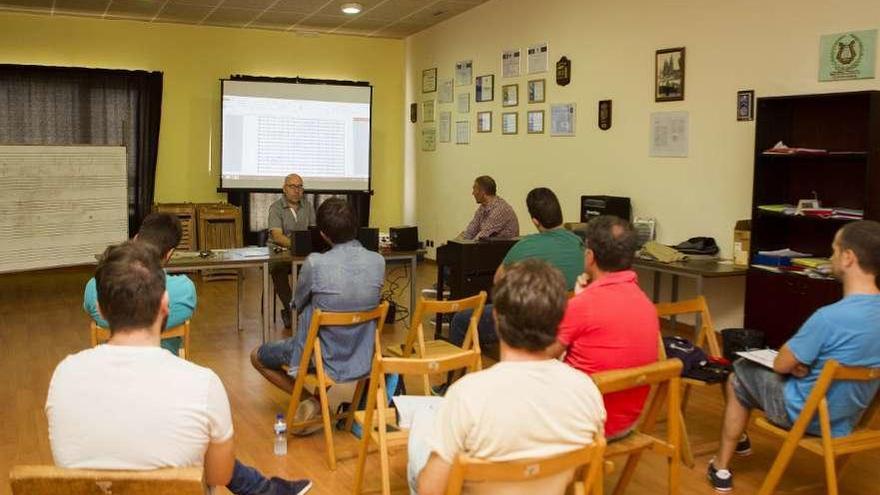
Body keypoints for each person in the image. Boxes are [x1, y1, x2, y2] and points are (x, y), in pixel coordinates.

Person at [48, 241, 311, 495]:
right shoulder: (201, 384)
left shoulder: (64, 376)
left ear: (101, 312)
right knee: (200, 437)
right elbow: (220, 476)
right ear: (165, 305)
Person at [707, 220, 880, 493]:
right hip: (847, 418)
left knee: (738, 372)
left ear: (848, 258)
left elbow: (780, 363)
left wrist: (795, 364)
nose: (831, 257)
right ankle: (736, 444)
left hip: (804, 414)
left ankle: (721, 466)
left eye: (834, 250)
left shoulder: (829, 318)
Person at [409, 259, 606, 495]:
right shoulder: (586, 390)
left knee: (421, 440)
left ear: (496, 319)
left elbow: (430, 490)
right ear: (559, 322)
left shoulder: (468, 395)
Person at [251, 198, 384, 422]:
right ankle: (321, 399)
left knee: (257, 356)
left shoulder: (315, 263)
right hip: (363, 354)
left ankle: (312, 401)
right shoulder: (378, 261)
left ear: (323, 234)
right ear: (356, 226)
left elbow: (297, 303)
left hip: (322, 357)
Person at [547, 215, 659, 440]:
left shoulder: (582, 306)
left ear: (590, 257)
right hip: (627, 422)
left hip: (585, 424)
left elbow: (542, 357)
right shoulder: (646, 304)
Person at [449, 187, 583, 349]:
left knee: (460, 321)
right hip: (571, 318)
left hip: (533, 320)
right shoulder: (581, 244)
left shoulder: (526, 246)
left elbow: (498, 281)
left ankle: (460, 372)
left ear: (535, 221)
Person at [83, 212, 195, 355]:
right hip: (164, 370)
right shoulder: (185, 290)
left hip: (113, 369)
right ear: (169, 254)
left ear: (135, 239)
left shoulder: (96, 287)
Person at [268, 173, 316, 329]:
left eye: (300, 186)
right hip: (280, 252)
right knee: (278, 269)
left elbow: (313, 230)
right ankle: (291, 310)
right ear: (284, 189)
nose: (297, 190)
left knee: (314, 269)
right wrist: (297, 246)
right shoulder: (276, 208)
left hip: (302, 253)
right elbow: (277, 236)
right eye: (292, 186)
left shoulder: (308, 206)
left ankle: (305, 310)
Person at [458, 175, 519, 240]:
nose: (473, 193)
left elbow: (480, 238)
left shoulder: (500, 209)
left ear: (482, 191)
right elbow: (470, 232)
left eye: (474, 189)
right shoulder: (482, 208)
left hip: (505, 249)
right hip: (492, 248)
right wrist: (453, 245)